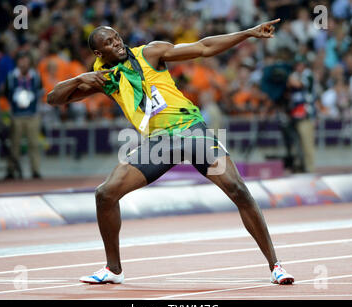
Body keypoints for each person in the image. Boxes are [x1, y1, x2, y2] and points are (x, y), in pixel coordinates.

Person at [47, 20, 294, 285]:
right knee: (105, 194)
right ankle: (113, 269)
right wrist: (79, 79)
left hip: (191, 131)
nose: (117, 43)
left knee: (238, 190)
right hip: (159, 143)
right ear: (98, 54)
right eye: (109, 42)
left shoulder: (150, 53)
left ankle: (275, 266)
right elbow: (54, 99)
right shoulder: (104, 78)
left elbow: (204, 47)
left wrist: (248, 33)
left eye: (117, 37)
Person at [4, 51, 43, 180]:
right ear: (17, 63)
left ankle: (35, 170)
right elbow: (7, 93)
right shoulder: (11, 76)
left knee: (34, 144)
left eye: (26, 61)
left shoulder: (35, 76)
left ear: (29, 63)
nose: (23, 64)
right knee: (14, 144)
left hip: (32, 115)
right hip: (17, 115)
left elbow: (39, 91)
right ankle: (11, 170)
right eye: (21, 61)